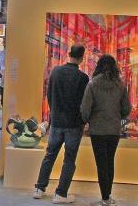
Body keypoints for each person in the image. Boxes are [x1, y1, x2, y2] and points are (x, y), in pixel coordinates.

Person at [33, 45, 89, 204]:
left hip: (56, 121)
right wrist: (83, 121)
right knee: (69, 160)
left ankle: (39, 188)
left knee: (49, 155)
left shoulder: (55, 72)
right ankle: (60, 194)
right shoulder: (83, 78)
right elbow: (84, 104)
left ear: (69, 54)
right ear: (81, 58)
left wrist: (54, 114)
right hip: (73, 124)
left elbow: (49, 96)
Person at [80, 55, 131, 206]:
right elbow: (126, 109)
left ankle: (105, 198)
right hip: (114, 129)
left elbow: (85, 109)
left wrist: (87, 120)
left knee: (101, 163)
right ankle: (107, 196)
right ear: (114, 66)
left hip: (97, 130)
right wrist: (117, 116)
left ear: (99, 66)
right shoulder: (120, 85)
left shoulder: (92, 84)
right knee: (110, 162)